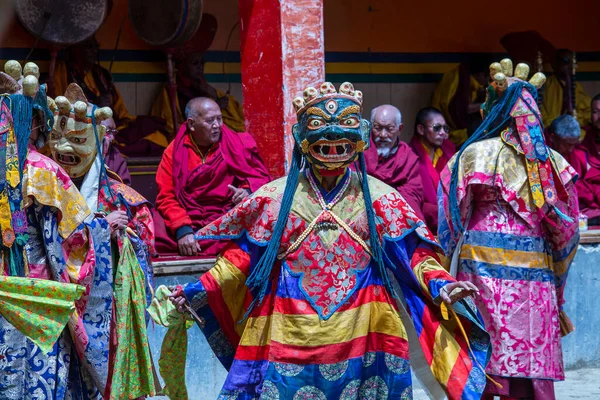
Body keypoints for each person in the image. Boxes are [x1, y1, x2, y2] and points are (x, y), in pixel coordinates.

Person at [168, 81, 492, 399]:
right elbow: (241, 257)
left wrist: (443, 284)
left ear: (361, 138)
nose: (333, 141)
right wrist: (198, 288)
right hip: (289, 332)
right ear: (301, 138)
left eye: (343, 132)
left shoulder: (379, 198)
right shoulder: (277, 198)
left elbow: (415, 254)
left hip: (365, 330)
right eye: (322, 132)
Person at [439, 59, 579, 400]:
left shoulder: (472, 155)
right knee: (528, 354)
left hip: (481, 264)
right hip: (535, 267)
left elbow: (450, 218)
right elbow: (567, 232)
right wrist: (557, 278)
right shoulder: (553, 163)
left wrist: (442, 270)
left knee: (487, 347)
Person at [0, 61, 112, 399]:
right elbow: (77, 241)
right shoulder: (43, 170)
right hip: (35, 296)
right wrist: (105, 230)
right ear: (33, 121)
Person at [47, 83, 157, 398]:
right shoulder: (41, 187)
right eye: (58, 139)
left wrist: (125, 237)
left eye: (78, 141)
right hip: (57, 303)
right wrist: (99, 229)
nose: (65, 150)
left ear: (99, 144)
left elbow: (144, 251)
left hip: (104, 310)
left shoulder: (121, 197)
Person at [155, 97, 270, 256]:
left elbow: (259, 177)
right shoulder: (173, 152)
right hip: (188, 215)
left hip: (227, 214)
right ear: (191, 124)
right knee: (152, 229)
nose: (217, 125)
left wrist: (246, 191)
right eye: (210, 121)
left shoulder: (236, 143)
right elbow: (166, 196)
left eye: (219, 118)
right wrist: (182, 229)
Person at [52, 36, 167, 157]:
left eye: (95, 47)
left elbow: (121, 110)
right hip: (84, 127)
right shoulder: (63, 72)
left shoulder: (102, 74)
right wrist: (97, 104)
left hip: (113, 124)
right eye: (88, 47)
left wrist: (125, 119)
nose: (93, 51)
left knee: (157, 135)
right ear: (76, 49)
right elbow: (63, 106)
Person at [363, 104, 424, 217]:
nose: (383, 134)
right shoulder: (360, 152)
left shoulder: (407, 157)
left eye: (389, 129)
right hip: (365, 211)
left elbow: (413, 193)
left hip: (396, 214)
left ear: (399, 129)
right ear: (370, 127)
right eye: (377, 128)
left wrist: (385, 201)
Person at [547, 114, 600, 225]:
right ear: (552, 137)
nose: (571, 149)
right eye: (567, 144)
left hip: (578, 209)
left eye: (574, 144)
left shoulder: (579, 154)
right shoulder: (542, 155)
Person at [409, 107, 455, 233]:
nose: (442, 133)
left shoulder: (449, 154)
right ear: (421, 129)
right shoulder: (409, 157)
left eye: (445, 128)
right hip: (422, 226)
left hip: (449, 224)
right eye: (436, 128)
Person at [431, 60, 489, 146]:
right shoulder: (462, 80)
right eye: (487, 78)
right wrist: (486, 104)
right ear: (480, 75)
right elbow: (462, 108)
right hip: (452, 127)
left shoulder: (471, 81)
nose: (487, 82)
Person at [541, 49, 591, 128]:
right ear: (554, 64)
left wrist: (575, 120)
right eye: (566, 61)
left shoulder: (576, 86)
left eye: (574, 62)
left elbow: (587, 112)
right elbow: (540, 113)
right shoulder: (546, 85)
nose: (571, 66)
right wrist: (559, 124)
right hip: (551, 128)